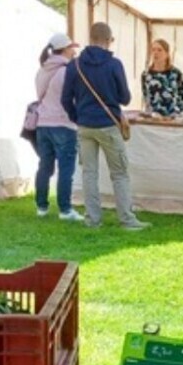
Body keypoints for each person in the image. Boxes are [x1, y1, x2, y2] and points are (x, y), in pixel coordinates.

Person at [62, 21, 151, 230]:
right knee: (119, 173)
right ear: (109, 40)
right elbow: (125, 98)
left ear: (90, 38)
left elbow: (66, 99)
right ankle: (127, 219)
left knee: (89, 174)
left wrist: (78, 117)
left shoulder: (74, 65)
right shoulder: (114, 64)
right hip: (108, 124)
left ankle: (92, 220)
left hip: (84, 126)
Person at [34, 33, 85, 222]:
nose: (74, 51)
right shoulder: (66, 71)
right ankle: (65, 209)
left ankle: (41, 206)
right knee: (66, 169)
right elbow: (71, 98)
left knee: (44, 167)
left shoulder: (42, 70)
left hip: (42, 124)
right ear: (64, 49)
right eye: (72, 47)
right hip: (63, 123)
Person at [141, 39, 183, 119]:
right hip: (154, 118)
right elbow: (146, 95)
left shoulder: (176, 73)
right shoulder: (146, 75)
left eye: (159, 50)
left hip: (174, 117)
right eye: (153, 50)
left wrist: (178, 112)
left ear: (167, 53)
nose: (156, 53)